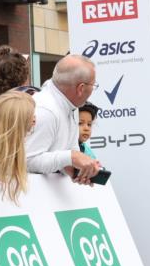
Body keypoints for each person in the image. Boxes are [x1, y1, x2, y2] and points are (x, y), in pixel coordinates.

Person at [25, 54, 101, 183]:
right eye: (93, 86)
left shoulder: (70, 105)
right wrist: (71, 157)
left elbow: (65, 153)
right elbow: (27, 161)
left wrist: (74, 168)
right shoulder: (45, 110)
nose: (93, 90)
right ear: (81, 88)